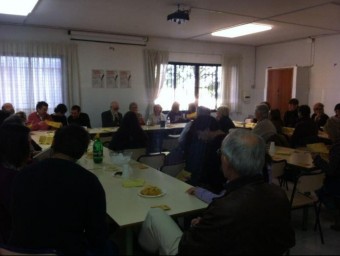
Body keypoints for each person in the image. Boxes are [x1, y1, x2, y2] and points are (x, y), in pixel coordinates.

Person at [138, 129, 295, 255]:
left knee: (155, 215)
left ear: (226, 160)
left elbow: (188, 247)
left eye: (221, 153)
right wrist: (208, 225)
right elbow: (286, 239)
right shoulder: (279, 195)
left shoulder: (225, 206)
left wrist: (198, 228)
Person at [9, 125, 113, 254]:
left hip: (21, 249)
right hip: (65, 249)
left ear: (54, 143)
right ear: (83, 151)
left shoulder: (23, 175)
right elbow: (97, 233)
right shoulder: (88, 181)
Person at [0, 123, 31, 244]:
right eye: (28, 143)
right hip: (12, 240)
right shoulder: (11, 178)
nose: (31, 148)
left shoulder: (7, 168)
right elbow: (25, 216)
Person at [312, 137, 340, 231]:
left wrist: (317, 159)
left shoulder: (337, 148)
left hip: (335, 184)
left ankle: (337, 216)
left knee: (320, 192)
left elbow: (330, 170)